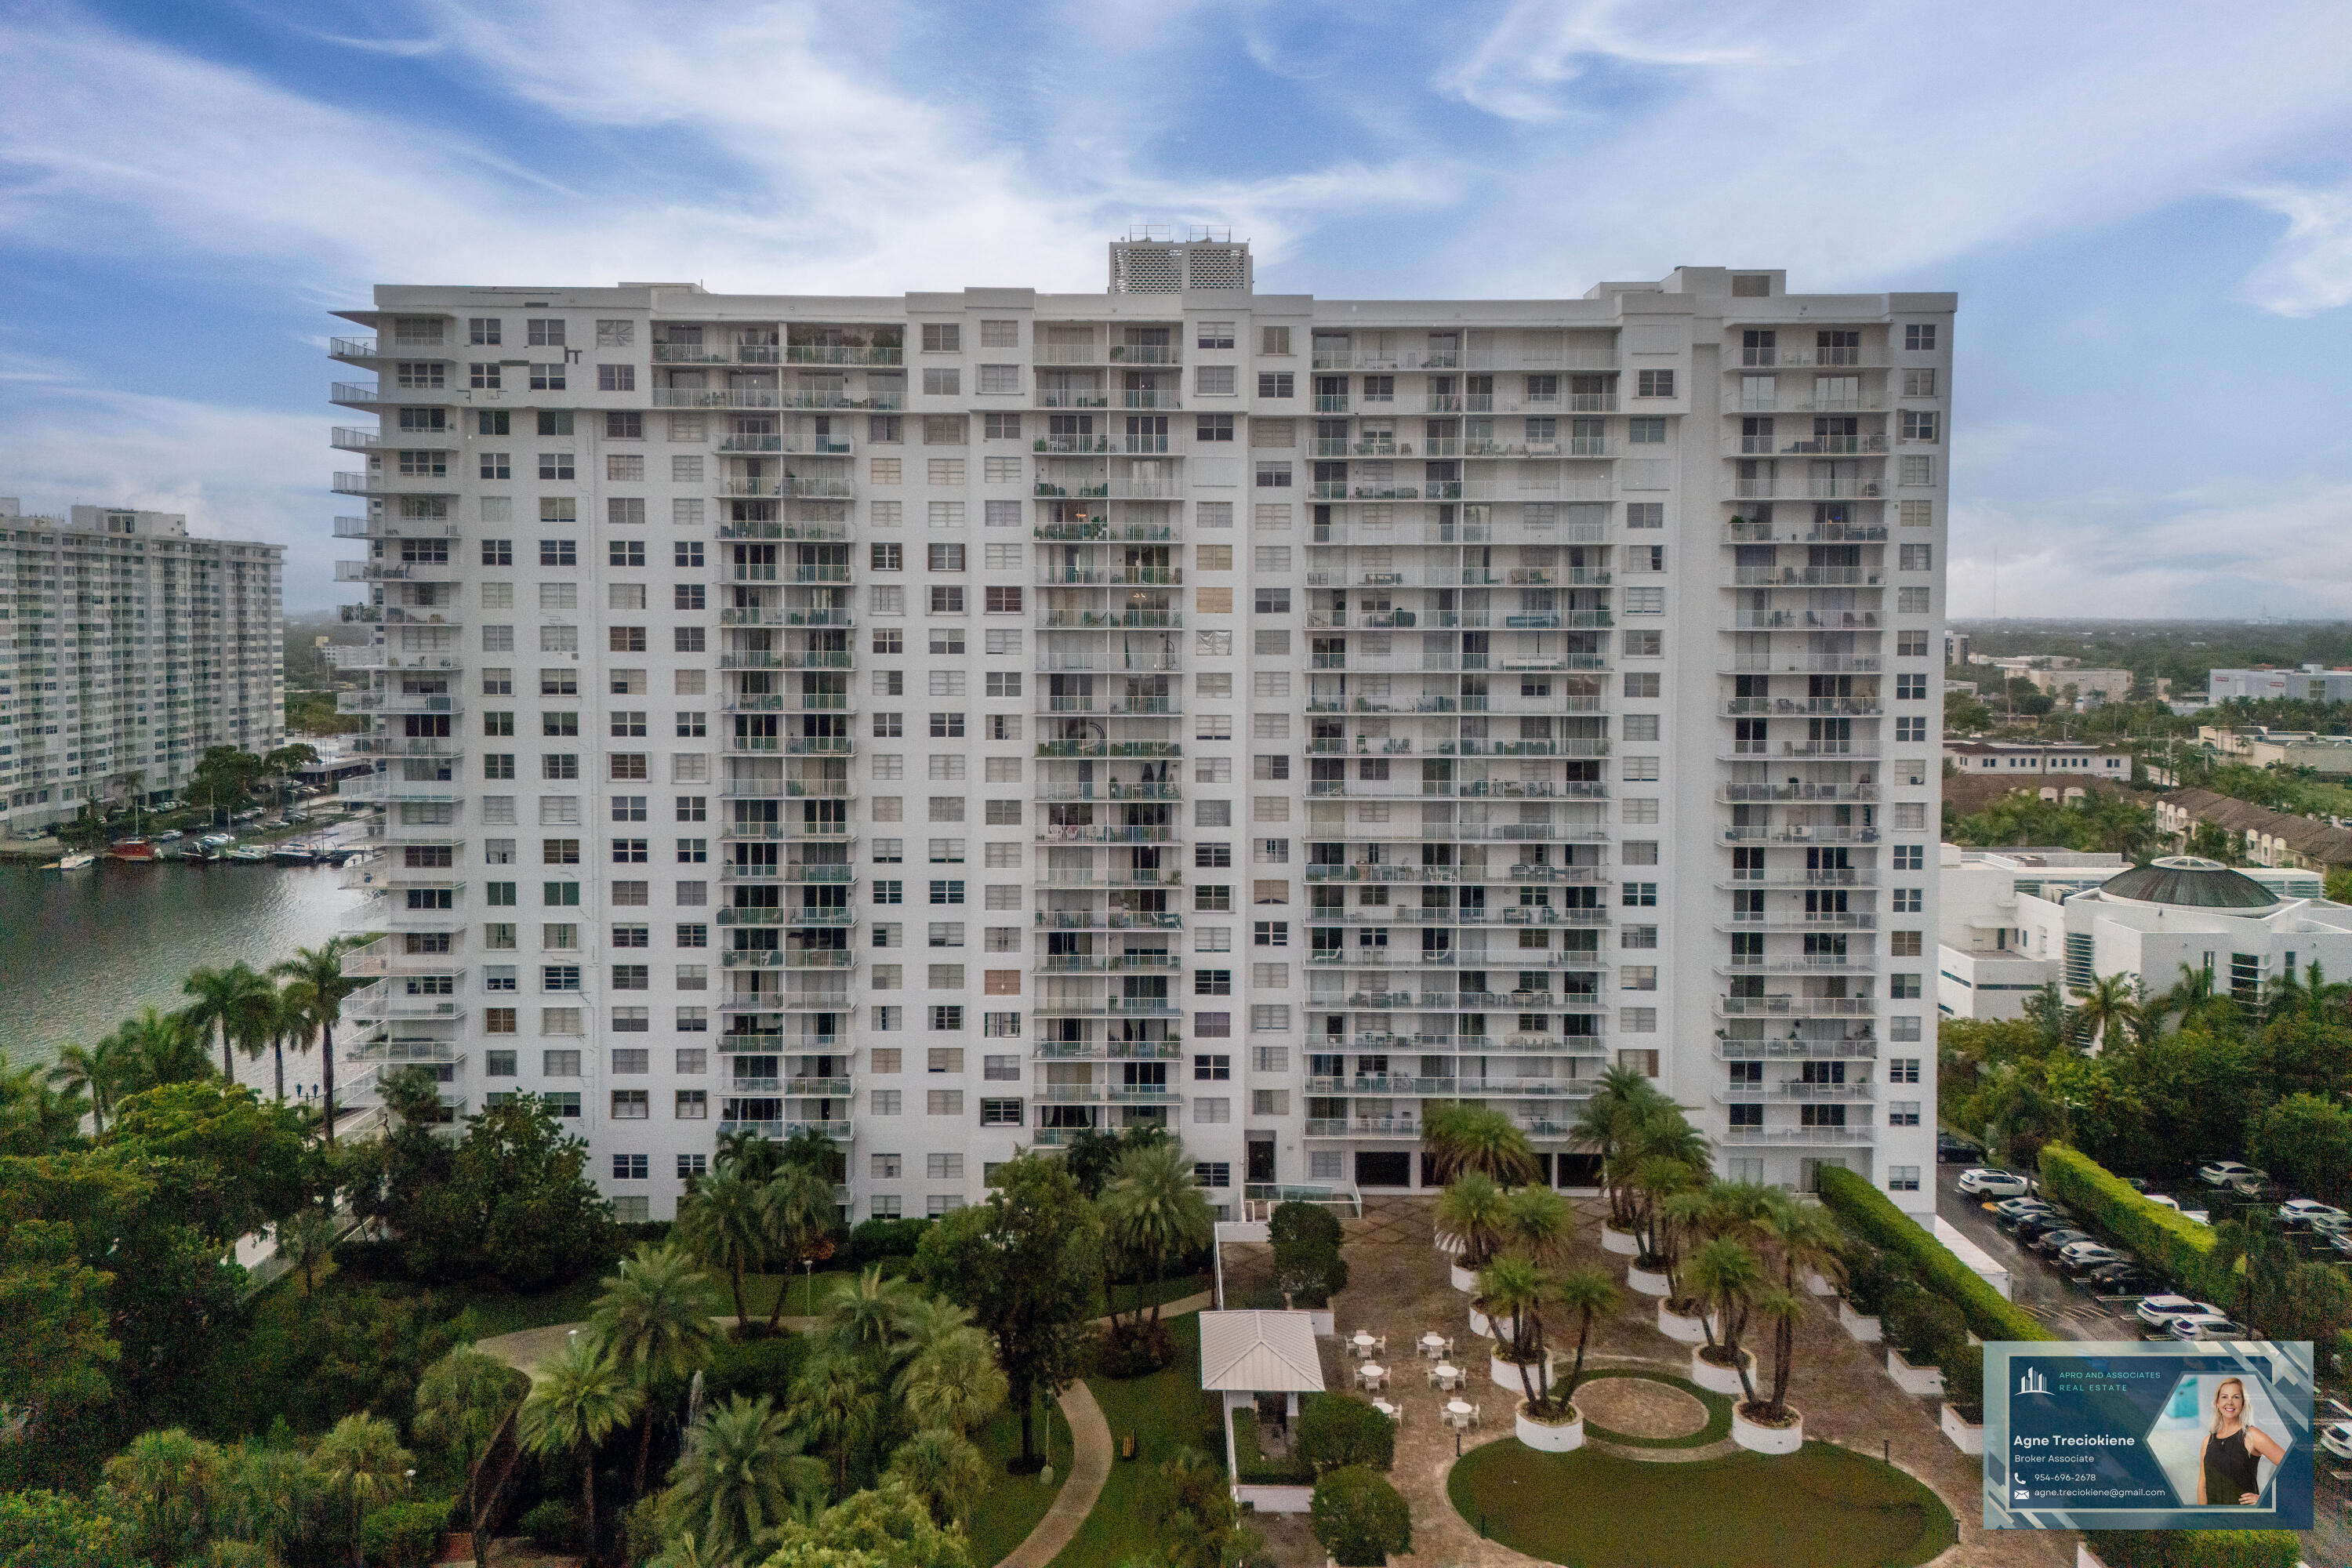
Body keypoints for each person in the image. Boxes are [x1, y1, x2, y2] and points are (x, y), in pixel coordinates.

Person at [2198, 1377, 2287, 1506]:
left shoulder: (2252, 1435)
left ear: (2243, 1403)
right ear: (2217, 1403)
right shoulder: (2207, 1442)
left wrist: (2267, 1498)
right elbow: (2203, 1486)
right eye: (2224, 1397)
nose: (2230, 1402)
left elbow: (2293, 1466)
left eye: (2236, 1397)